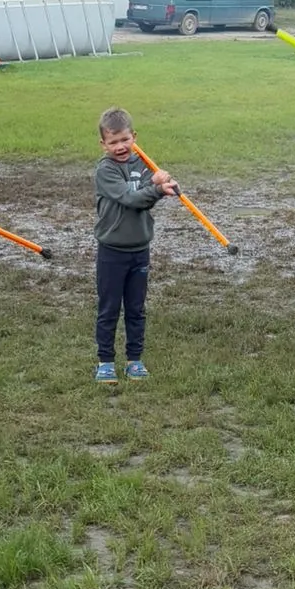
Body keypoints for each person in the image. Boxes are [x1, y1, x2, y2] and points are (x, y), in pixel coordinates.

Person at [91, 107, 177, 383]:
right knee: (109, 308)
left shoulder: (144, 164)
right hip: (112, 251)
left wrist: (168, 185)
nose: (120, 147)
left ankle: (134, 360)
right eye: (113, 142)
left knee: (136, 308)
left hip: (140, 250)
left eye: (125, 140)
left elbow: (151, 194)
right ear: (103, 144)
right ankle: (105, 361)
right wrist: (155, 189)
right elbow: (131, 198)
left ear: (134, 137)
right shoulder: (105, 171)